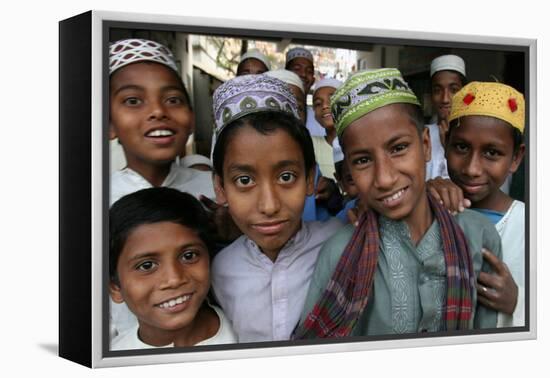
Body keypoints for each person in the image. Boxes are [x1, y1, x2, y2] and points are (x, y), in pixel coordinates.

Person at [294, 68, 503, 339]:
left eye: (398, 148)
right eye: (362, 160)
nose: (384, 178)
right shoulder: (339, 251)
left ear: (426, 145)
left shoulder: (479, 234)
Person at [209, 75, 342, 342]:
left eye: (286, 177)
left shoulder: (340, 243)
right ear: (221, 188)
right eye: (244, 181)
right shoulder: (219, 270)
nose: (269, 206)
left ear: (309, 179)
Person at [109, 188, 237, 350]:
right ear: (115, 287)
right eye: (147, 265)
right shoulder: (113, 357)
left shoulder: (253, 333)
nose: (174, 279)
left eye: (189, 256)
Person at [444, 82, 526, 327]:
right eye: (461, 147)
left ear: (516, 158)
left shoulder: (529, 225)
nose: (472, 169)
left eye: (492, 152)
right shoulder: (431, 209)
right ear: (445, 144)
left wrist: (518, 301)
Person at [109, 38, 215, 205]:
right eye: (133, 101)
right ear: (109, 125)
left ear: (191, 119)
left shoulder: (219, 192)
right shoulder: (96, 199)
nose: (158, 111)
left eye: (173, 100)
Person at [426, 54, 467, 180]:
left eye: (453, 90)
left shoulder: (474, 136)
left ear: (465, 93)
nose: (445, 99)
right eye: (437, 91)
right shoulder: (422, 134)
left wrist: (450, 147)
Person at [285, 47, 325, 137]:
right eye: (297, 69)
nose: (303, 74)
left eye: (309, 71)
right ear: (286, 73)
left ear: (313, 80)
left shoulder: (319, 119)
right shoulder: (275, 113)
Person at [311, 78, 343, 179]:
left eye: (332, 100)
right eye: (318, 104)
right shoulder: (310, 144)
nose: (324, 106)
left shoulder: (359, 144)